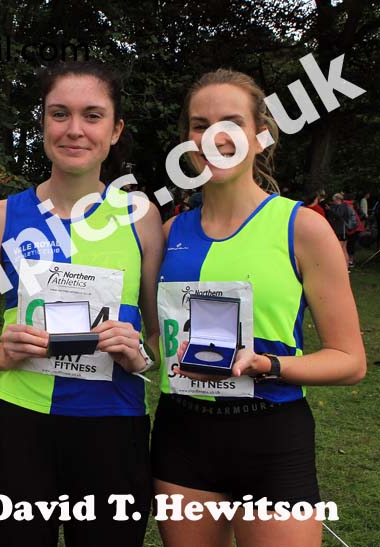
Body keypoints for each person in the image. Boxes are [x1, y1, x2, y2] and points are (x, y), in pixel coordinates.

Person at [152, 69, 366, 547]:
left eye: (231, 122)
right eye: (200, 124)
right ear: (187, 140)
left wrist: (267, 365)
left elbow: (350, 361)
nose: (214, 137)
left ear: (259, 135)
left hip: (272, 435)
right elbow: (155, 339)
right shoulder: (169, 234)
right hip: (181, 433)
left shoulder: (303, 227)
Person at [0, 61, 164, 546]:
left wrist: (136, 351)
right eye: (60, 114)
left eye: (92, 115)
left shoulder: (142, 218)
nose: (74, 129)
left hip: (114, 425)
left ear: (116, 129)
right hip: (22, 427)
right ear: (43, 122)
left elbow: (160, 344)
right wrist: (5, 351)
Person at [327, 193, 351, 268]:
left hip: (342, 230)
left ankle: (341, 267)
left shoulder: (342, 206)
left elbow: (339, 215)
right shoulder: (340, 206)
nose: (333, 201)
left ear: (338, 199)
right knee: (343, 249)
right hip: (342, 230)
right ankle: (346, 267)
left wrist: (330, 210)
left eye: (334, 200)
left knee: (340, 249)